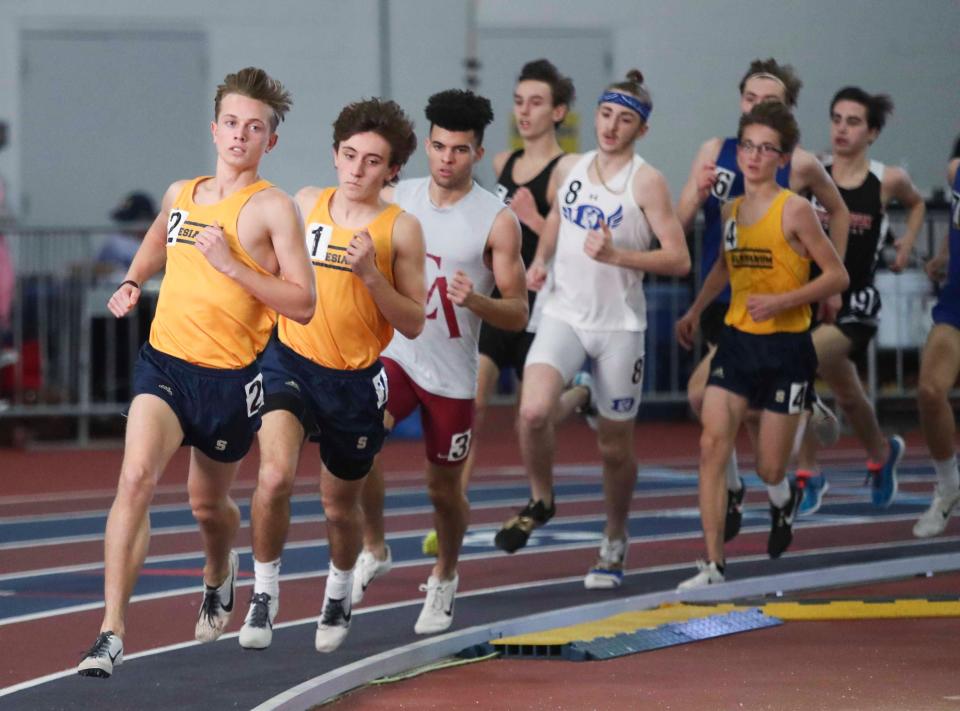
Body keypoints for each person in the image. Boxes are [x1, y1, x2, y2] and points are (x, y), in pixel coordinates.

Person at [77, 67, 316, 678]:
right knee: (134, 478)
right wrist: (133, 279)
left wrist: (233, 267)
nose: (240, 136)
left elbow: (303, 303)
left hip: (229, 379)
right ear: (215, 129)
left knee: (208, 506)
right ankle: (110, 632)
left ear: (271, 141)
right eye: (232, 123)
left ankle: (219, 572)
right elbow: (160, 237)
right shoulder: (180, 192)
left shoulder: (274, 210)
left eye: (254, 127)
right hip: (164, 366)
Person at [237, 98, 425, 653]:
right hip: (289, 361)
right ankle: (264, 593)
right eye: (348, 156)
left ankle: (339, 589)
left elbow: (413, 323)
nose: (356, 170)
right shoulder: (303, 203)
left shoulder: (401, 230)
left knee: (339, 506)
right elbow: (270, 273)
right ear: (335, 154)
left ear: (392, 170)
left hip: (354, 380)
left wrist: (370, 275)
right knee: (273, 476)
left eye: (372, 162)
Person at [494, 70, 691, 591]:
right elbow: (557, 217)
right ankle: (542, 498)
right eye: (606, 115)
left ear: (640, 130)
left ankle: (615, 536)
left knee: (614, 449)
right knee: (532, 410)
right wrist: (540, 260)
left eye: (624, 119)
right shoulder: (573, 168)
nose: (611, 126)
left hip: (619, 327)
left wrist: (619, 254)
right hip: (563, 313)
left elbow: (679, 258)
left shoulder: (647, 181)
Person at [353, 89, 528, 634]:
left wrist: (475, 299)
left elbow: (519, 314)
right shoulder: (397, 196)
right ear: (425, 146)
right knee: (354, 443)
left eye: (459, 149)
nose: (446, 158)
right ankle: (375, 547)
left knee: (442, 491)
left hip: (453, 375)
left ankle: (446, 575)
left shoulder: (496, 221)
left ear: (477, 153)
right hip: (398, 353)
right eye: (438, 146)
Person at [675, 58, 850, 544]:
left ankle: (767, 485)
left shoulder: (800, 163)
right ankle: (742, 489)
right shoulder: (716, 150)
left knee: (734, 412)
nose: (756, 106)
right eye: (750, 98)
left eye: (768, 101)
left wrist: (821, 277)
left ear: (787, 110)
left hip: (775, 304)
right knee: (709, 400)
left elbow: (837, 210)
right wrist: (699, 191)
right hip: (724, 295)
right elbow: (681, 217)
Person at [421, 59, 589, 557]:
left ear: (558, 111)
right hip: (500, 301)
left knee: (531, 416)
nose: (525, 112)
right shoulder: (499, 166)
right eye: (519, 102)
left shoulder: (568, 170)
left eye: (536, 103)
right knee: (471, 397)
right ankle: (455, 502)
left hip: (549, 306)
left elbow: (574, 236)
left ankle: (580, 398)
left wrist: (533, 219)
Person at [793, 87, 925, 513]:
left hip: (857, 300)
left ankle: (809, 473)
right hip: (815, 297)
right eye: (836, 119)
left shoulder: (887, 179)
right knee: (846, 392)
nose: (841, 129)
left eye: (853, 122)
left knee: (802, 360)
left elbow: (918, 203)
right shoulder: (814, 172)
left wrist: (906, 243)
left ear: (872, 132)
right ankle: (882, 453)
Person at [913, 157, 960, 538]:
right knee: (929, 390)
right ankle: (948, 487)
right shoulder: (955, 171)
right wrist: (944, 255)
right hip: (956, 306)